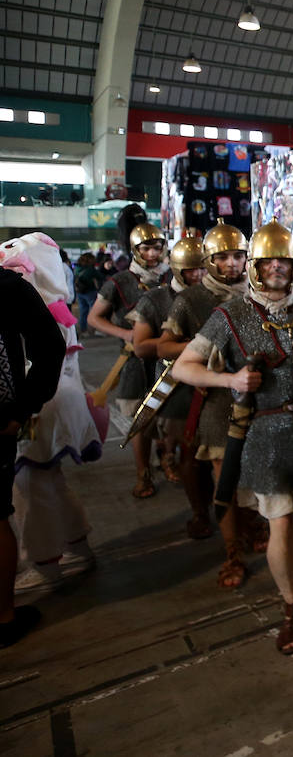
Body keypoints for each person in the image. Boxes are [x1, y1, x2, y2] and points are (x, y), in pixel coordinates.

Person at [172, 221, 293, 654]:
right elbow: (183, 367)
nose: (277, 268)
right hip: (267, 429)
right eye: (268, 262)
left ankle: (291, 568)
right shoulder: (231, 314)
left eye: (285, 261)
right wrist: (231, 379)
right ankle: (292, 608)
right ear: (256, 266)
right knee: (280, 518)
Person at [161, 221, 255, 588]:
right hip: (216, 399)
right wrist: (203, 350)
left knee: (259, 473)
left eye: (238, 256)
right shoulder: (191, 299)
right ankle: (233, 549)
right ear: (209, 260)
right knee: (225, 480)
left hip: (260, 396)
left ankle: (253, 526)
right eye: (223, 257)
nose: (232, 264)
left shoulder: (259, 292)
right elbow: (163, 346)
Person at [3, 233, 99, 594]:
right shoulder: (55, 305)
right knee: (48, 480)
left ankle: (44, 564)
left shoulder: (38, 307)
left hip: (41, 407)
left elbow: (34, 363)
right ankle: (77, 548)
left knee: (29, 486)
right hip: (54, 402)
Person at [0, 265, 65, 647]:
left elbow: (52, 347)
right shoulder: (9, 286)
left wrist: (21, 410)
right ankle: (4, 615)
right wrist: (21, 410)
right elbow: (50, 346)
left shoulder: (9, 287)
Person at [131, 237, 210, 537]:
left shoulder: (215, 295)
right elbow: (142, 347)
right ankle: (199, 512)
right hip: (176, 385)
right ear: (178, 270)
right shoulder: (155, 300)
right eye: (192, 271)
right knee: (188, 454)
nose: (199, 276)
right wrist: (193, 346)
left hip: (217, 383)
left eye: (203, 269)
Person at [87, 222, 169, 498]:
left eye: (157, 246)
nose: (152, 253)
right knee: (139, 419)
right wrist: (124, 332)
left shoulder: (170, 275)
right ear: (135, 249)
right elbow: (93, 317)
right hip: (134, 361)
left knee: (171, 415)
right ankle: (143, 472)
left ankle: (167, 460)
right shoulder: (120, 281)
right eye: (146, 247)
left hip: (168, 354)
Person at [74, 252, 100, 335]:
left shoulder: (77, 268)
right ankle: (95, 330)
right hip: (90, 292)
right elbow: (100, 276)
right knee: (95, 311)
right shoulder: (90, 270)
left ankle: (84, 330)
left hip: (79, 292)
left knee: (83, 311)